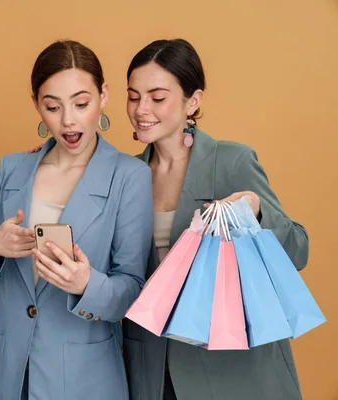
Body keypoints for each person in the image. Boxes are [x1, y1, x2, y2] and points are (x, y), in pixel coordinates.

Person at [0, 39, 154, 400]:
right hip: (3, 376)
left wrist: (86, 283)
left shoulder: (128, 176)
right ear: (36, 105)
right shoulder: (11, 170)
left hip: (84, 382)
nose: (68, 120)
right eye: (52, 107)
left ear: (103, 95)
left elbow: (133, 290)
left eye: (81, 103)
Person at [122, 38, 309, 400]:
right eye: (133, 96)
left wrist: (257, 209)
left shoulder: (232, 161)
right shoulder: (125, 174)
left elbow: (298, 250)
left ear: (193, 101)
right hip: (151, 372)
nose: (141, 109)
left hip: (234, 372)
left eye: (157, 97)